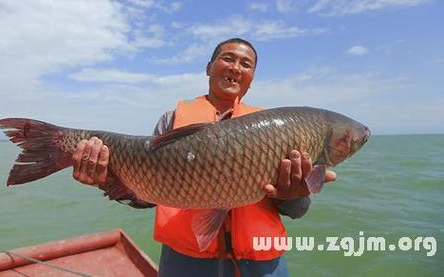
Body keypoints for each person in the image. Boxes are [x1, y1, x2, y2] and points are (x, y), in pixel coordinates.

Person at [71, 38, 337, 277]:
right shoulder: (172, 119)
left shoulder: (279, 130)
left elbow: (299, 209)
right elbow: (147, 194)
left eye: (246, 64)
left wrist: (292, 194)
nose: (236, 67)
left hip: (262, 262)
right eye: (228, 58)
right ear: (209, 68)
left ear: (251, 77)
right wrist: (106, 179)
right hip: (185, 261)